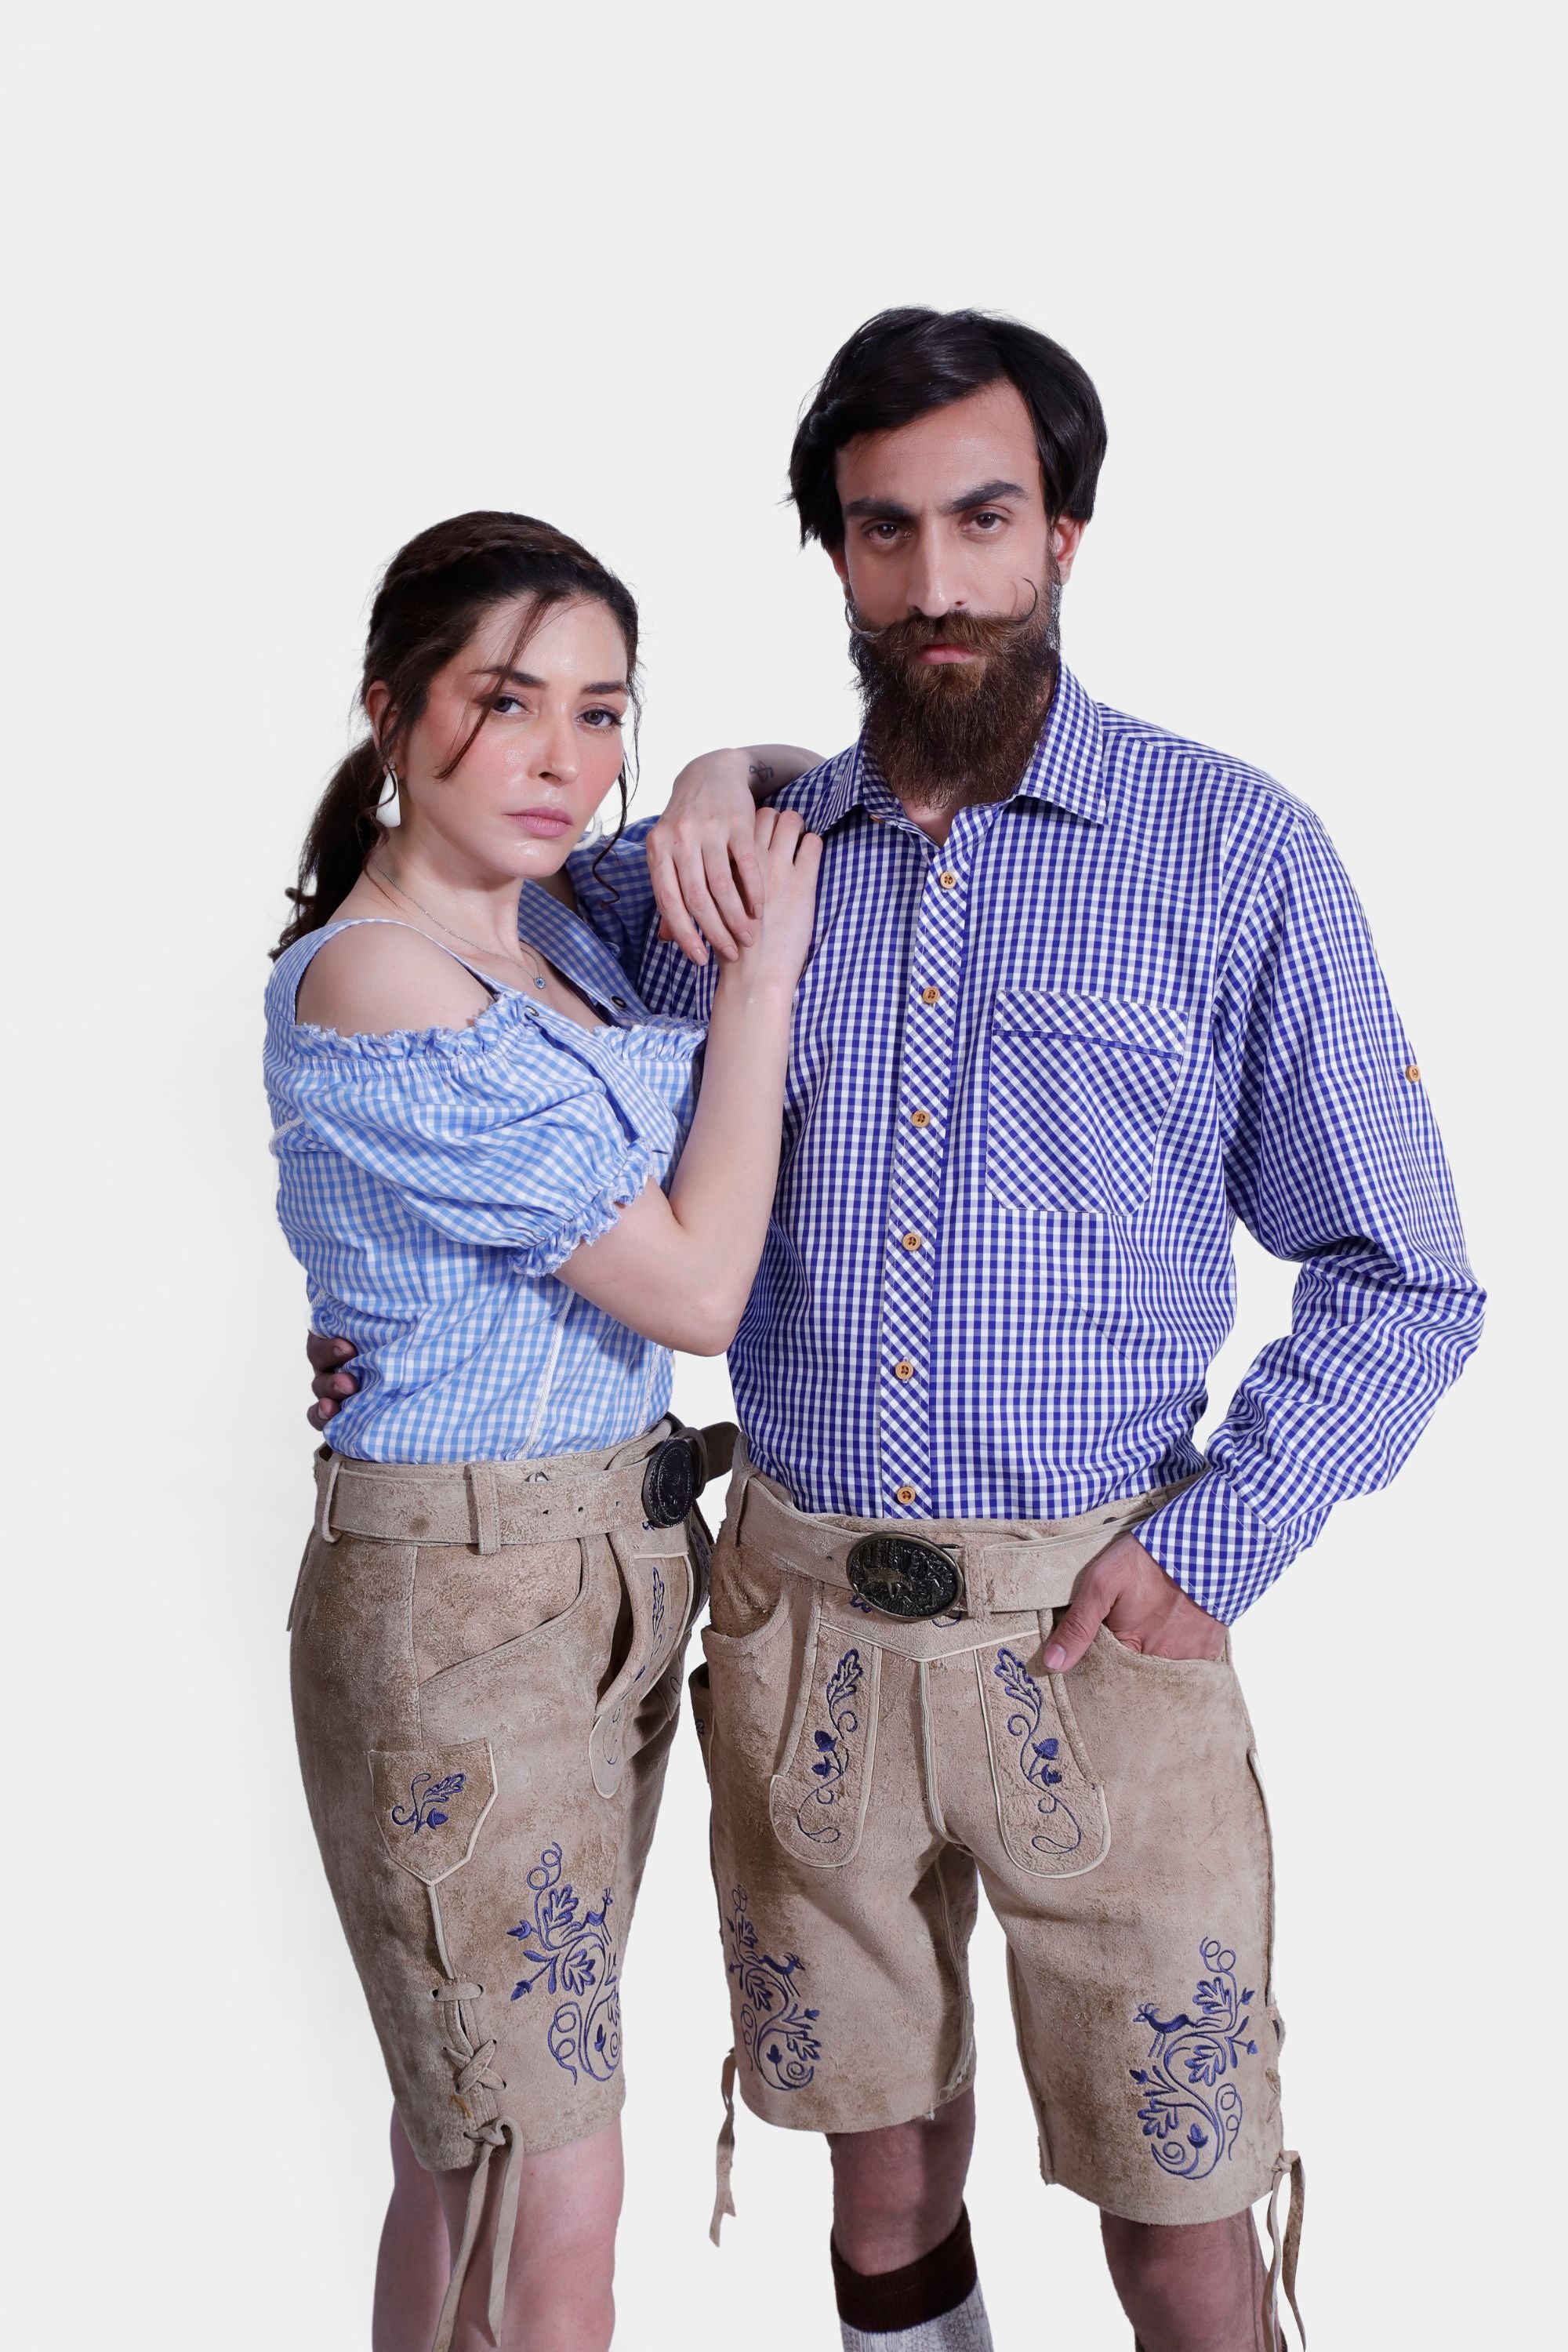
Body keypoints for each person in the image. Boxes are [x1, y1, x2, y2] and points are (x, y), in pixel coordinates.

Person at [312, 314, 1483, 2350]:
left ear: (1068, 531)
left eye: (983, 519)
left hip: (1106, 1632)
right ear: (834, 556)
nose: (936, 580)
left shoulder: (1232, 857)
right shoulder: (730, 877)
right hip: (801, 1641)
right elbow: (448, 961)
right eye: (883, 532)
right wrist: (382, 1323)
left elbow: (1407, 1273)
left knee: (1185, 2214)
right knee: (876, 2195)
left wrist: (1220, 1540)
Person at [268, 508, 820, 2352]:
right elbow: (690, 1293)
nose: (565, 763)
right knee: (546, 2169)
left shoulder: (552, 932)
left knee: (473, 2151)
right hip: (467, 1613)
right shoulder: (383, 976)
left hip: (596, 1580)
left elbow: (748, 782)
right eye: (508, 704)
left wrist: (727, 763)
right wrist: (754, 982)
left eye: (601, 715)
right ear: (389, 708)